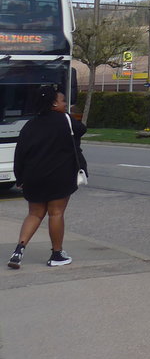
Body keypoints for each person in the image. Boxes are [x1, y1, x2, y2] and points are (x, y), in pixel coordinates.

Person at [7, 87, 87, 269]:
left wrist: (20, 178)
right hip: (60, 176)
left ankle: (19, 250)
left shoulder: (30, 125)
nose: (66, 104)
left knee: (34, 214)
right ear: (54, 103)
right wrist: (67, 115)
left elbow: (20, 154)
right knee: (56, 213)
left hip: (33, 177)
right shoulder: (66, 121)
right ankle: (57, 254)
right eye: (63, 101)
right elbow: (82, 129)